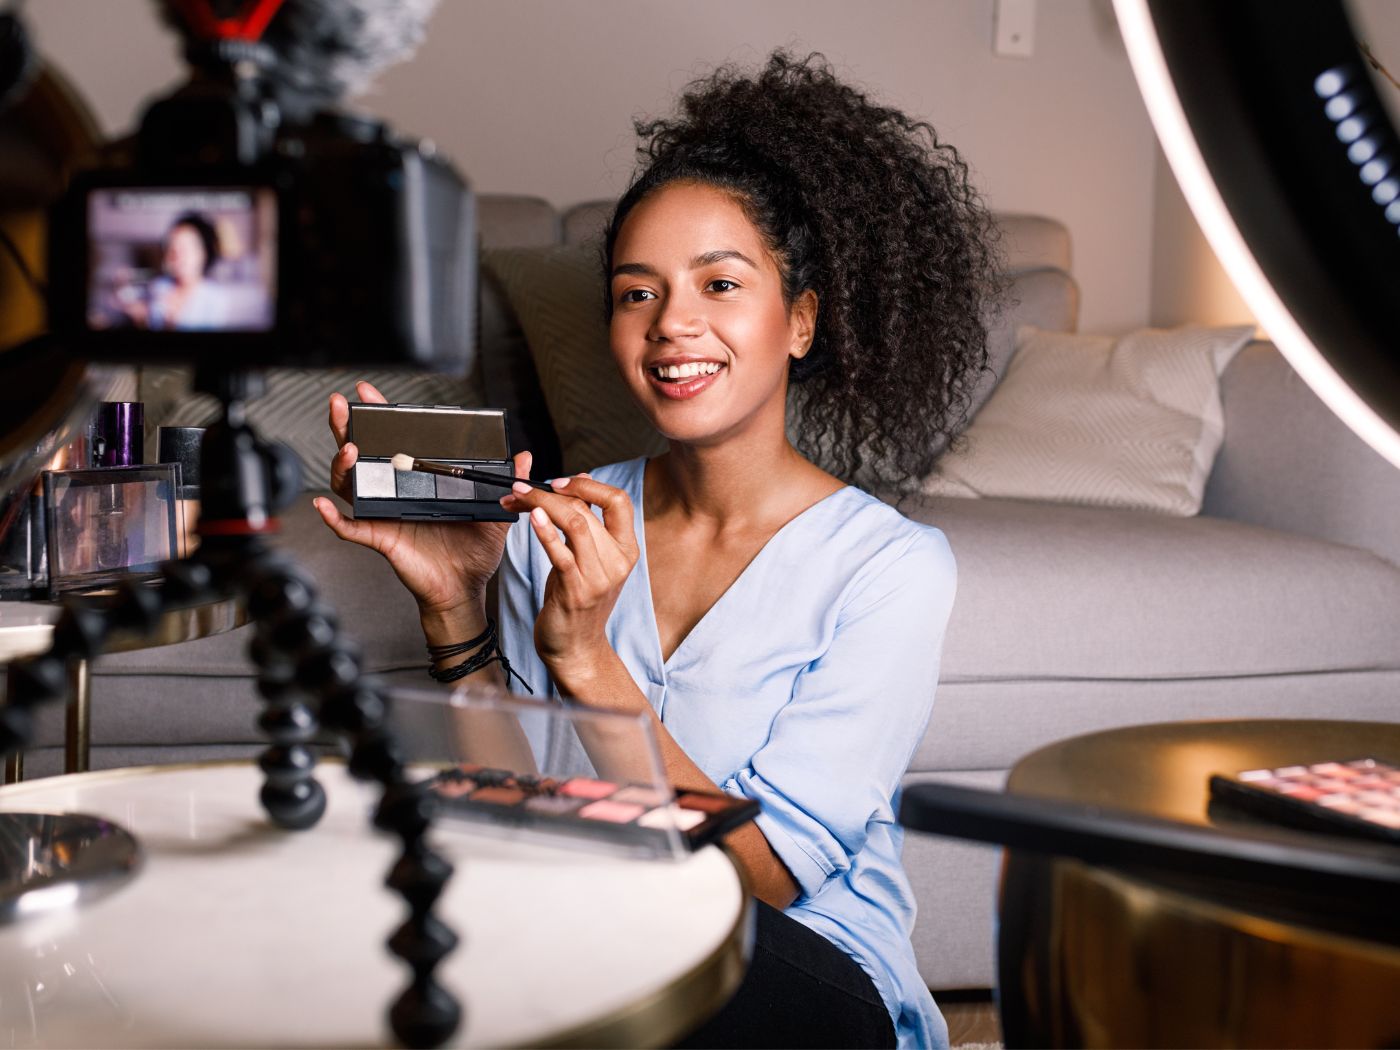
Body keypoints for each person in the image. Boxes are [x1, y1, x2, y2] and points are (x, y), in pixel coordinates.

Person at [315, 51, 999, 1049]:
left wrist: (587, 662)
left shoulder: (887, 568)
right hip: (589, 939)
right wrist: (456, 610)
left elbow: (759, 875)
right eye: (636, 294)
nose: (672, 323)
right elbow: (520, 822)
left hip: (799, 970)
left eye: (719, 284)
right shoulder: (557, 529)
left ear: (799, 320)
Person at [118, 212, 229, 330]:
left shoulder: (214, 298)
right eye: (173, 247)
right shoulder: (159, 286)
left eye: (186, 247)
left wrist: (172, 324)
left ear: (204, 252)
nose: (177, 255)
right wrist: (140, 320)